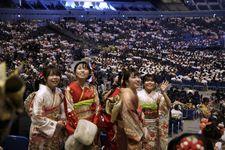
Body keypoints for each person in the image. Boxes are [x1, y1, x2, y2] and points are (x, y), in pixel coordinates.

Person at [64, 61, 100, 148]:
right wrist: (80, 128)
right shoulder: (69, 89)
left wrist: (94, 124)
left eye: (85, 69)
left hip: (92, 123)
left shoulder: (93, 88)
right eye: (79, 68)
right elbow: (69, 110)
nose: (83, 71)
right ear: (75, 72)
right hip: (76, 124)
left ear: (89, 72)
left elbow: (98, 106)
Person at [28, 65, 66, 150]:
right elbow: (36, 117)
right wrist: (56, 124)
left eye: (57, 75)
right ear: (45, 78)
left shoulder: (59, 91)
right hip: (40, 129)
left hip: (56, 129)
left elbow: (63, 108)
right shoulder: (40, 94)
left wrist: (63, 119)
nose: (55, 78)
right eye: (51, 75)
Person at [115, 68, 147, 150]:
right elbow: (129, 118)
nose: (138, 79)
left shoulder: (134, 93)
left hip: (130, 128)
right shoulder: (127, 95)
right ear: (126, 82)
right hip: (129, 133)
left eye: (138, 77)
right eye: (134, 77)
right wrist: (141, 133)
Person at [137, 74, 171, 150]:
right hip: (140, 125)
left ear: (155, 83)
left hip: (154, 126)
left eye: (152, 80)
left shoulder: (158, 95)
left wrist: (164, 93)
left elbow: (168, 106)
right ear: (143, 83)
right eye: (147, 80)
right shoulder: (138, 94)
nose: (150, 82)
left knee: (152, 147)